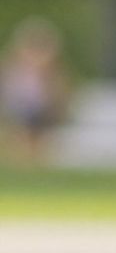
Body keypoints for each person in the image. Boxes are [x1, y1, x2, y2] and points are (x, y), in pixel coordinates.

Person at [1, 17, 70, 164]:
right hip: (19, 108)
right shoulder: (12, 65)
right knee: (20, 139)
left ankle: (32, 164)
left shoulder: (52, 71)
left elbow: (58, 92)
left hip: (41, 109)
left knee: (38, 142)